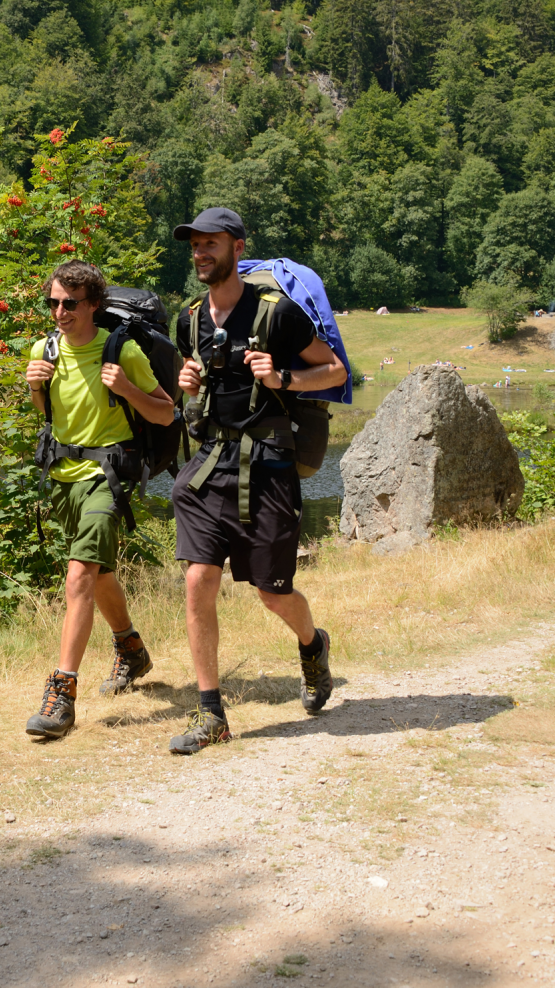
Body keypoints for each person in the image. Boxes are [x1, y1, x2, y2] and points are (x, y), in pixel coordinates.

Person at [166, 208, 348, 755]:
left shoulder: (277, 314)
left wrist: (284, 376)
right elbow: (192, 390)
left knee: (272, 593)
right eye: (195, 245)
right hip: (210, 464)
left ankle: (313, 645)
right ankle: (212, 714)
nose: (201, 253)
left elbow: (336, 371)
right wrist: (187, 381)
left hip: (267, 464)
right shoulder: (190, 318)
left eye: (211, 244)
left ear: (237, 248)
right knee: (199, 579)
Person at [22, 261, 177, 740]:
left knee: (79, 574)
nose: (60, 312)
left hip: (107, 477)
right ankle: (131, 648)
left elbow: (167, 412)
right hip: (64, 476)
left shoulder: (122, 350)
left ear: (93, 305)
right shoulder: (44, 349)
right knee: (99, 569)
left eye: (70, 303)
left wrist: (127, 388)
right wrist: (33, 387)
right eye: (53, 303)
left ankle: (62, 693)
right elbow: (49, 414)